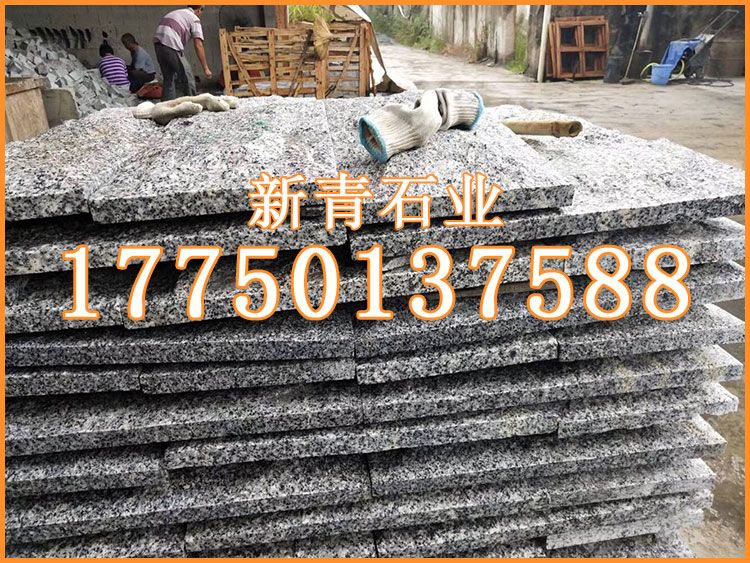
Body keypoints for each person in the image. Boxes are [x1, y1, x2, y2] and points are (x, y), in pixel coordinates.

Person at [153, 5, 212, 101]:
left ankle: (166, 106)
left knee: (168, 78)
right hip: (170, 43)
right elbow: (198, 45)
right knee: (187, 77)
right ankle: (193, 104)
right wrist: (206, 68)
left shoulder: (177, 12)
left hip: (158, 44)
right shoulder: (194, 19)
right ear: (199, 10)